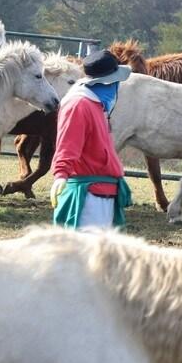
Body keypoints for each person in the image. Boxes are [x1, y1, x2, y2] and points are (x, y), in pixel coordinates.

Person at [50, 48, 133, 229]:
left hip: (101, 193)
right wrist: (61, 174)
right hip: (89, 198)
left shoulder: (96, 105)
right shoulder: (79, 105)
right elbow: (68, 143)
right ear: (107, 82)